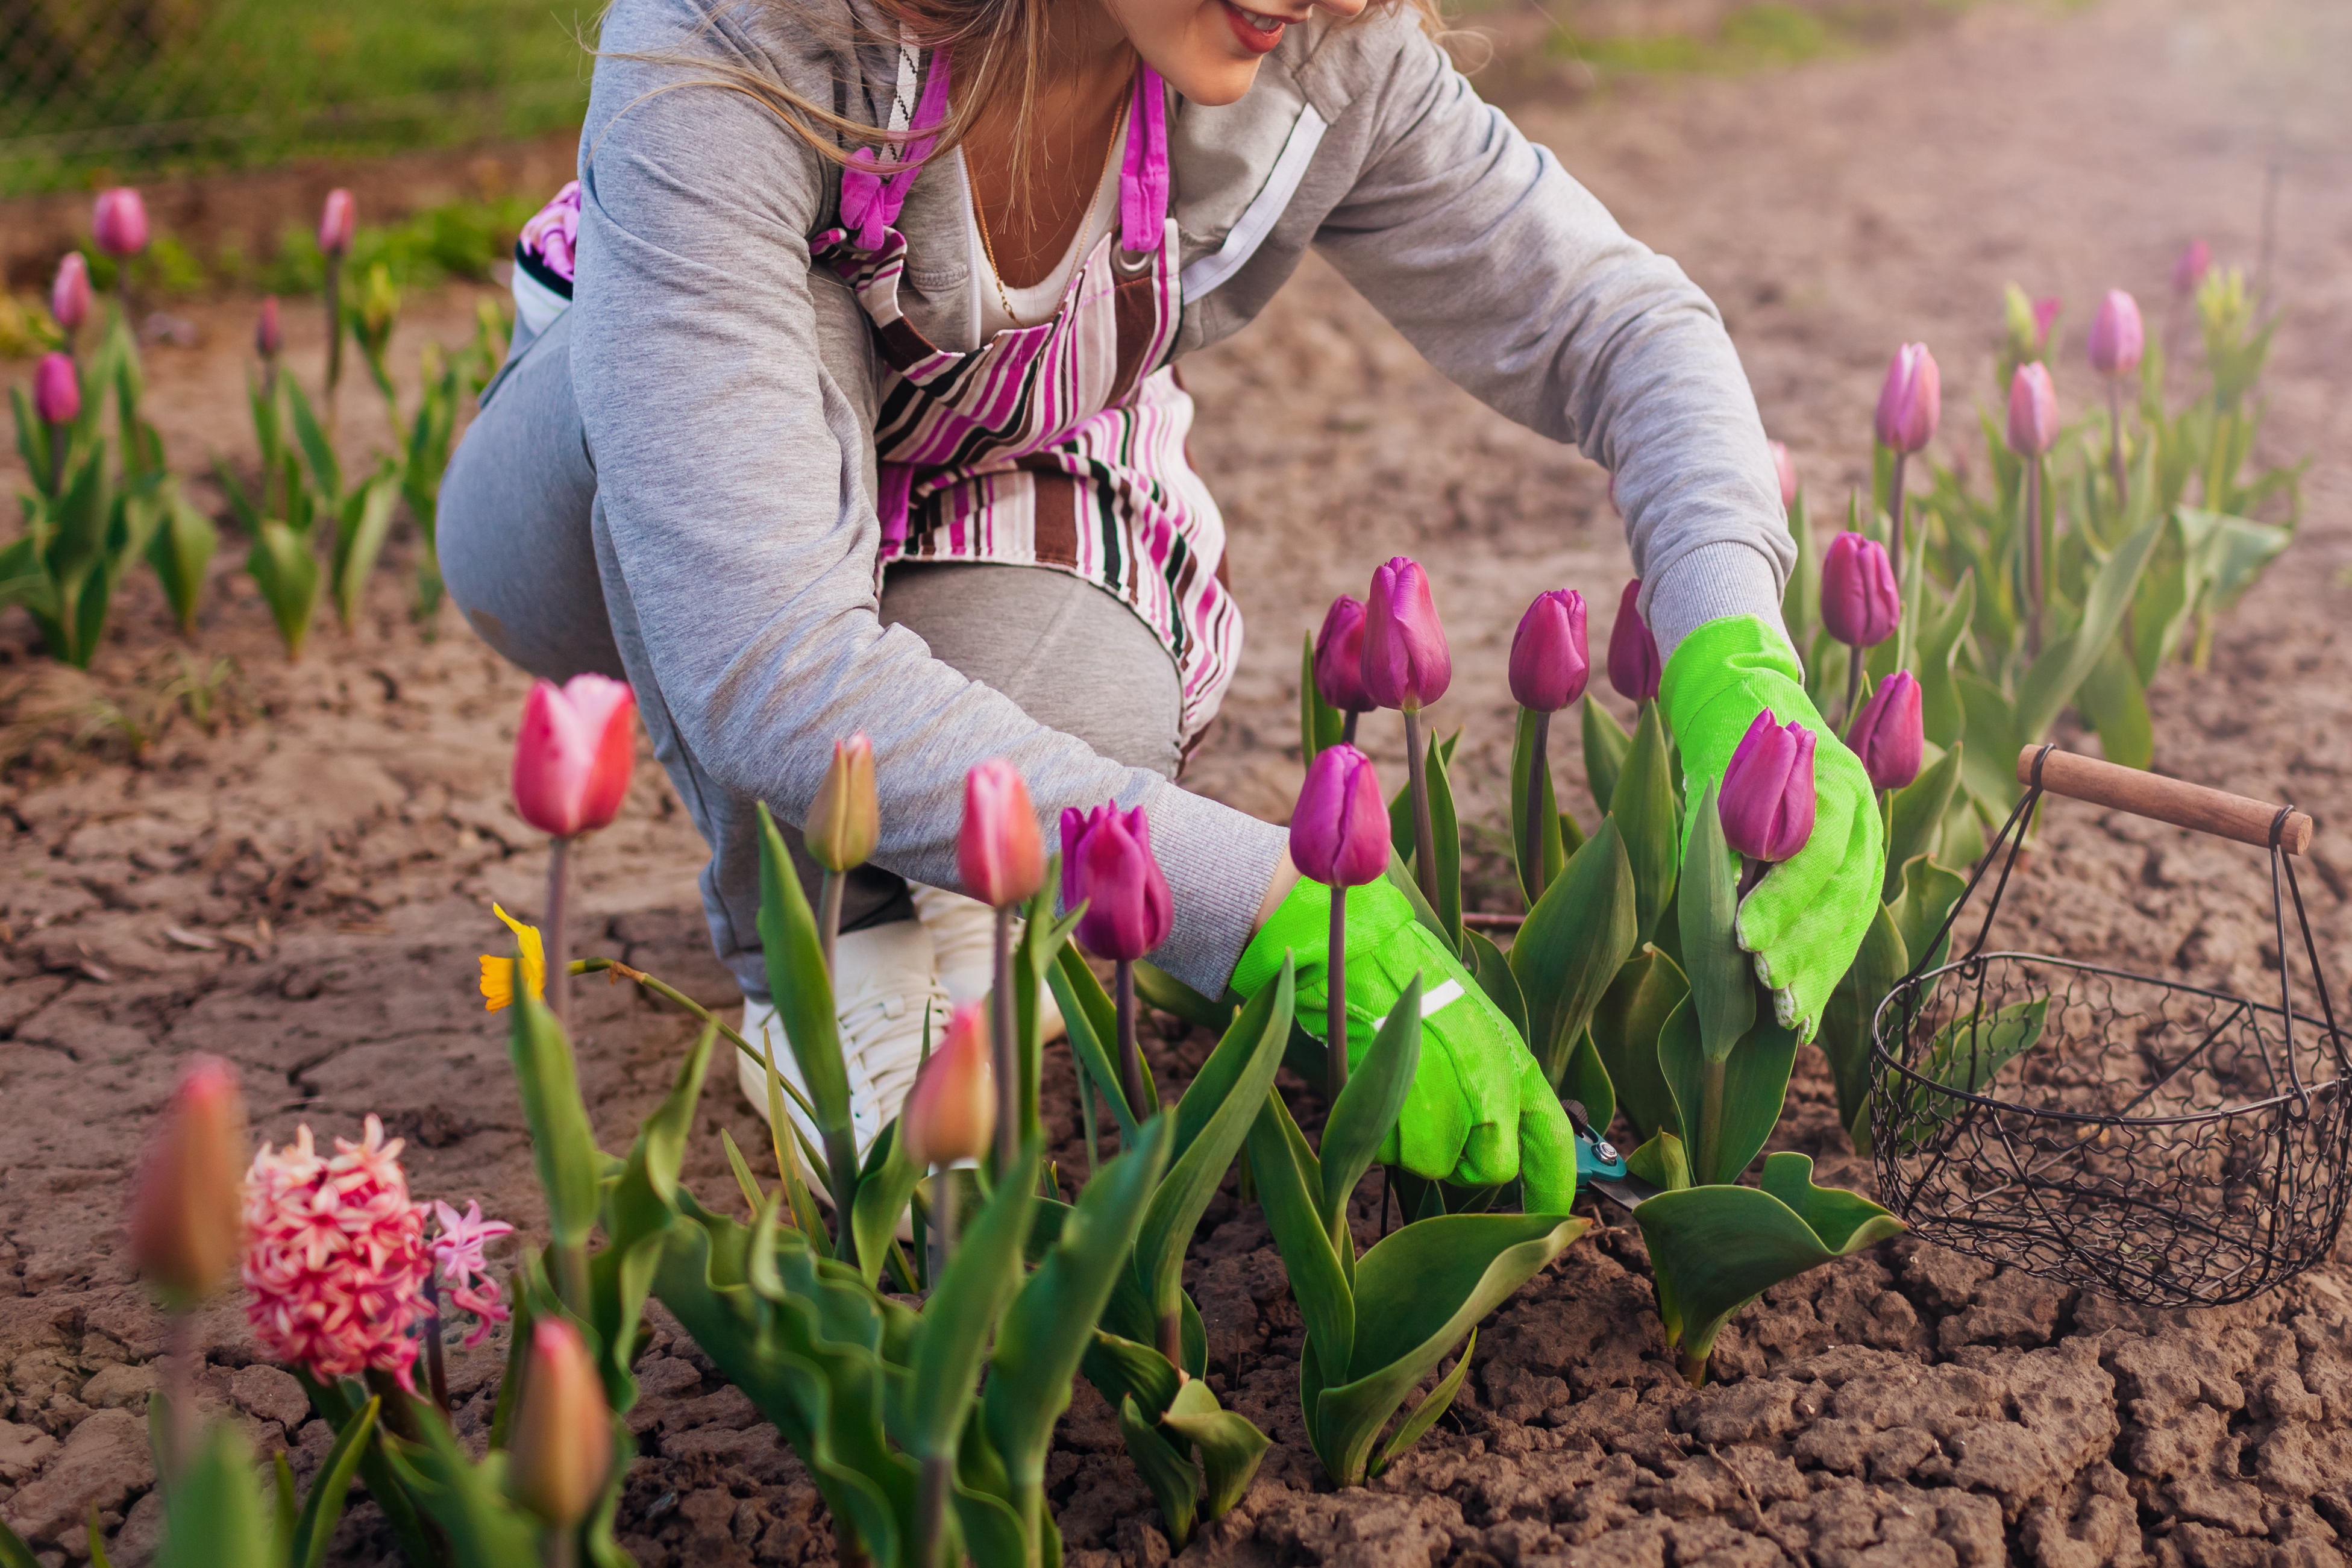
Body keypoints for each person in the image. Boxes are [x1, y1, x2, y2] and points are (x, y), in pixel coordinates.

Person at [437, 0, 1881, 1210]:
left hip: (990, 470)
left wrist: (1732, 655)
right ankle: (818, 946)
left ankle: (952, 909)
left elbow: (1624, 327)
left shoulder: (1322, 49)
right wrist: (1260, 903)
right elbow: (759, 649)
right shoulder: (746, 37)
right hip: (634, 498)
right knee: (772, 563)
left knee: (1096, 734)